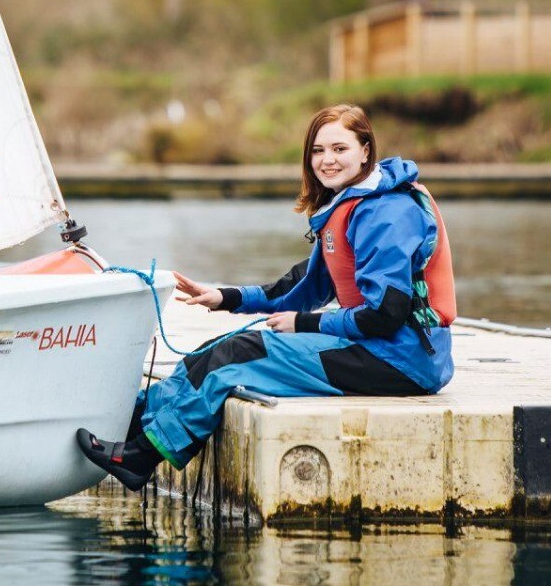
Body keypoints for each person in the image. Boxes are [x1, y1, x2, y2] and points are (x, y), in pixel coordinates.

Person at [76, 103, 456, 490]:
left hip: (403, 360)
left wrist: (303, 323)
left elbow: (386, 314)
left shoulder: (388, 212)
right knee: (212, 349)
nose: (327, 160)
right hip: (377, 347)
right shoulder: (350, 204)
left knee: (239, 356)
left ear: (365, 150)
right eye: (318, 151)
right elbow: (302, 287)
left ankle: (141, 459)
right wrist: (224, 297)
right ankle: (131, 425)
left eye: (340, 149)